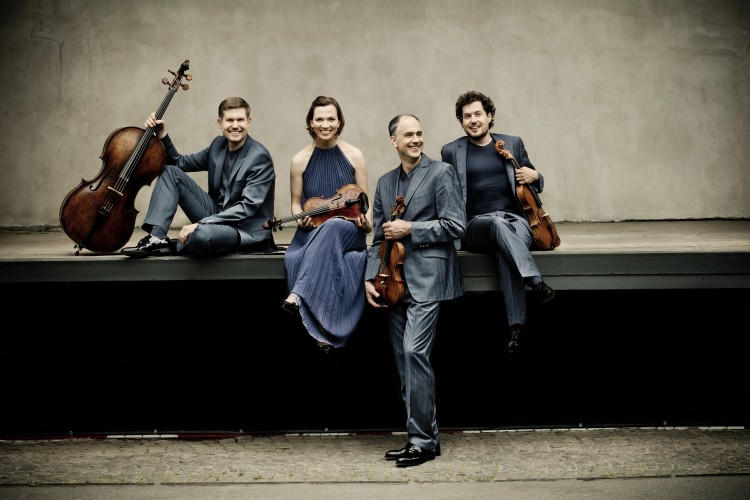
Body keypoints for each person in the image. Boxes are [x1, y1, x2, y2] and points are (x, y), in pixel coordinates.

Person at [364, 114, 465, 467]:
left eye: (420, 133)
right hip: (393, 280)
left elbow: (456, 224)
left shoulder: (441, 173)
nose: (416, 139)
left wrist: (411, 229)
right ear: (394, 140)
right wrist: (368, 277)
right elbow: (377, 238)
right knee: (404, 363)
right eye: (409, 134)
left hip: (428, 277)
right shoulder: (384, 182)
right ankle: (421, 440)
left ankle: (422, 441)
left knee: (414, 353)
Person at [440, 90, 556, 354]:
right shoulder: (451, 151)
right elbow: (445, 194)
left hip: (517, 221)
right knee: (496, 225)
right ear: (461, 121)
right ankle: (535, 283)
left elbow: (535, 183)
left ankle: (515, 329)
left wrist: (535, 175)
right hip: (476, 225)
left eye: (478, 114)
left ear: (489, 116)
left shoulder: (512, 143)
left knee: (506, 247)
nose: (473, 120)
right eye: (466, 116)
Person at [121, 96, 276, 257]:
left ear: (248, 121)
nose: (235, 125)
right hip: (216, 216)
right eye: (230, 120)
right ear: (220, 123)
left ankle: (184, 241)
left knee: (202, 236)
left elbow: (247, 208)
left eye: (240, 120)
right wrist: (162, 134)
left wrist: (201, 224)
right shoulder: (218, 145)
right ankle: (157, 238)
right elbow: (178, 163)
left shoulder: (259, 157)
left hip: (243, 230)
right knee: (170, 172)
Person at [281, 96, 372, 352]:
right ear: (310, 122)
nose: (325, 124)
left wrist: (366, 223)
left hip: (348, 231)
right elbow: (296, 204)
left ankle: (298, 294)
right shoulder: (299, 159)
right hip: (313, 230)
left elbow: (364, 203)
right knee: (301, 251)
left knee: (332, 227)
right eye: (319, 119)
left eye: (331, 118)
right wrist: (301, 218)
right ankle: (322, 333)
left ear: (339, 121)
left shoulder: (355, 155)